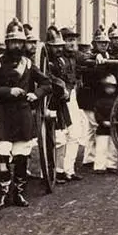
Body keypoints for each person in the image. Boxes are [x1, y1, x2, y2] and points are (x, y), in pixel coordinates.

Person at [0, 18, 51, 208]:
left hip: (23, 116)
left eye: (20, 42)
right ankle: (4, 192)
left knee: (21, 157)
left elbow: (46, 83)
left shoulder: (28, 64)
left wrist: (35, 94)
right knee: (2, 157)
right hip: (3, 115)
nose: (16, 46)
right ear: (7, 43)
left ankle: (19, 193)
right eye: (13, 42)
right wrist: (8, 91)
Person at [45, 26, 81, 184]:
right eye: (56, 46)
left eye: (60, 45)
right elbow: (47, 77)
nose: (59, 48)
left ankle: (67, 170)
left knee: (73, 134)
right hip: (52, 101)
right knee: (59, 137)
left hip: (67, 98)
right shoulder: (47, 60)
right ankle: (57, 171)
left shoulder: (67, 58)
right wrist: (61, 85)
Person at [79, 26, 111, 169]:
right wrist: (94, 57)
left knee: (93, 128)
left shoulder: (107, 56)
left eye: (106, 43)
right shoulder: (90, 56)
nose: (104, 45)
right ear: (94, 44)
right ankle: (93, 158)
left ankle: (90, 158)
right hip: (90, 97)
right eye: (101, 43)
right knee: (95, 126)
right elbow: (84, 60)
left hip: (100, 98)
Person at [93, 73, 118, 174]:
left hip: (114, 126)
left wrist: (115, 122)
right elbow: (97, 113)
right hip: (103, 127)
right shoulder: (99, 101)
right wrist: (102, 121)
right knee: (101, 147)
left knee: (113, 148)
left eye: (112, 87)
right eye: (108, 87)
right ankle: (100, 166)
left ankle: (111, 165)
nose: (110, 89)